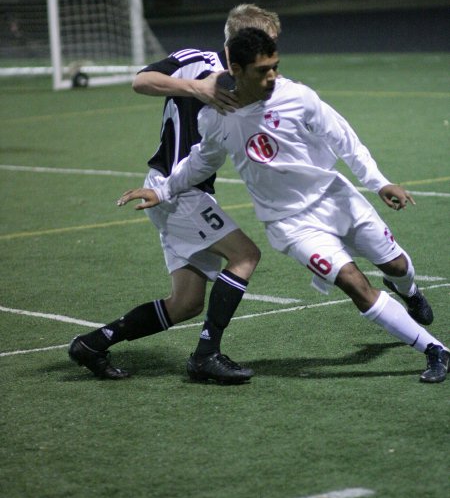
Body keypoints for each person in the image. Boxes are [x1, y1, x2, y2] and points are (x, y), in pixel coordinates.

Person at [118, 27, 448, 384]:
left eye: (275, 66)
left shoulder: (298, 97)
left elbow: (342, 136)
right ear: (237, 69)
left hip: (335, 200)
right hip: (290, 224)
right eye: (263, 70)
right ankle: (436, 350)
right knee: (353, 283)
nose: (272, 75)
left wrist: (378, 181)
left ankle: (409, 292)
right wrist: (164, 190)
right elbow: (202, 160)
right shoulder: (215, 117)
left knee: (397, 265)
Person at [68, 4, 281, 384]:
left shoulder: (251, 80)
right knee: (245, 255)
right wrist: (196, 88)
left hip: (184, 189)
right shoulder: (195, 62)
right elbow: (141, 80)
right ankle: (206, 356)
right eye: (265, 44)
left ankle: (91, 344)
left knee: (185, 303)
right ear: (239, 42)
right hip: (175, 189)